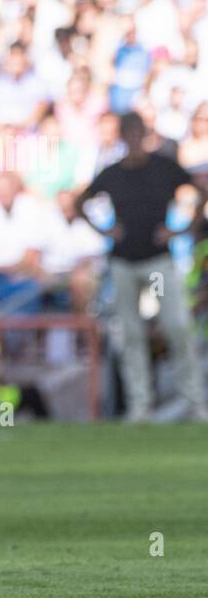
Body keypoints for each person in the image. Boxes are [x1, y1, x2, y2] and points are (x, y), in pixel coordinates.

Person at [77, 112, 208, 422]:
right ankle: (140, 405)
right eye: (129, 132)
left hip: (157, 260)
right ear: (123, 136)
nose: (134, 138)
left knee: (176, 326)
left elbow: (200, 190)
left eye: (139, 132)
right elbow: (81, 201)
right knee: (130, 334)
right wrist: (105, 231)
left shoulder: (163, 167)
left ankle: (194, 401)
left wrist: (183, 229)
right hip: (123, 261)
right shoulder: (111, 173)